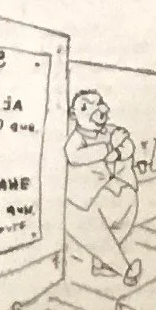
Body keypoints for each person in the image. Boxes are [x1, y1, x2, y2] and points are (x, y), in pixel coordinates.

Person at [64, 87, 142, 289]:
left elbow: (128, 145)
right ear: (75, 114)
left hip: (117, 188)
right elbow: (74, 156)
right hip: (86, 199)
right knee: (97, 231)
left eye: (97, 103)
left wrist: (116, 154)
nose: (95, 109)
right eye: (85, 106)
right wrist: (108, 148)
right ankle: (126, 270)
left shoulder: (112, 130)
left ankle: (101, 263)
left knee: (126, 214)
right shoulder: (77, 138)